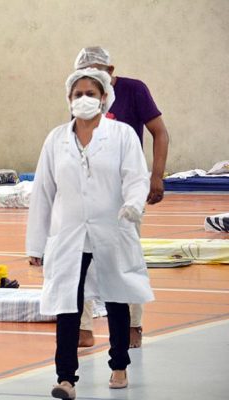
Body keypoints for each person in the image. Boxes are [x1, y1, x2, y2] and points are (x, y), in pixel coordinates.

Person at [25, 68, 154, 399]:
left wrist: (134, 204)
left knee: (116, 296)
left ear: (104, 97)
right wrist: (36, 245)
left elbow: (136, 176)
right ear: (69, 99)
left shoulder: (122, 135)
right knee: (67, 301)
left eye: (91, 94)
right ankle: (65, 378)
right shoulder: (56, 139)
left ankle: (119, 365)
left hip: (112, 227)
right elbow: (43, 192)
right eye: (78, 94)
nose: (84, 99)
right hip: (69, 233)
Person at [74, 46, 170, 348]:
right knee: (83, 259)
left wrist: (156, 176)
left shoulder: (134, 90)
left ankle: (133, 326)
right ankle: (83, 327)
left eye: (96, 72)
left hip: (126, 191)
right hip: (91, 192)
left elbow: (160, 132)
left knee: (125, 257)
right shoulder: (83, 98)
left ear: (110, 71)